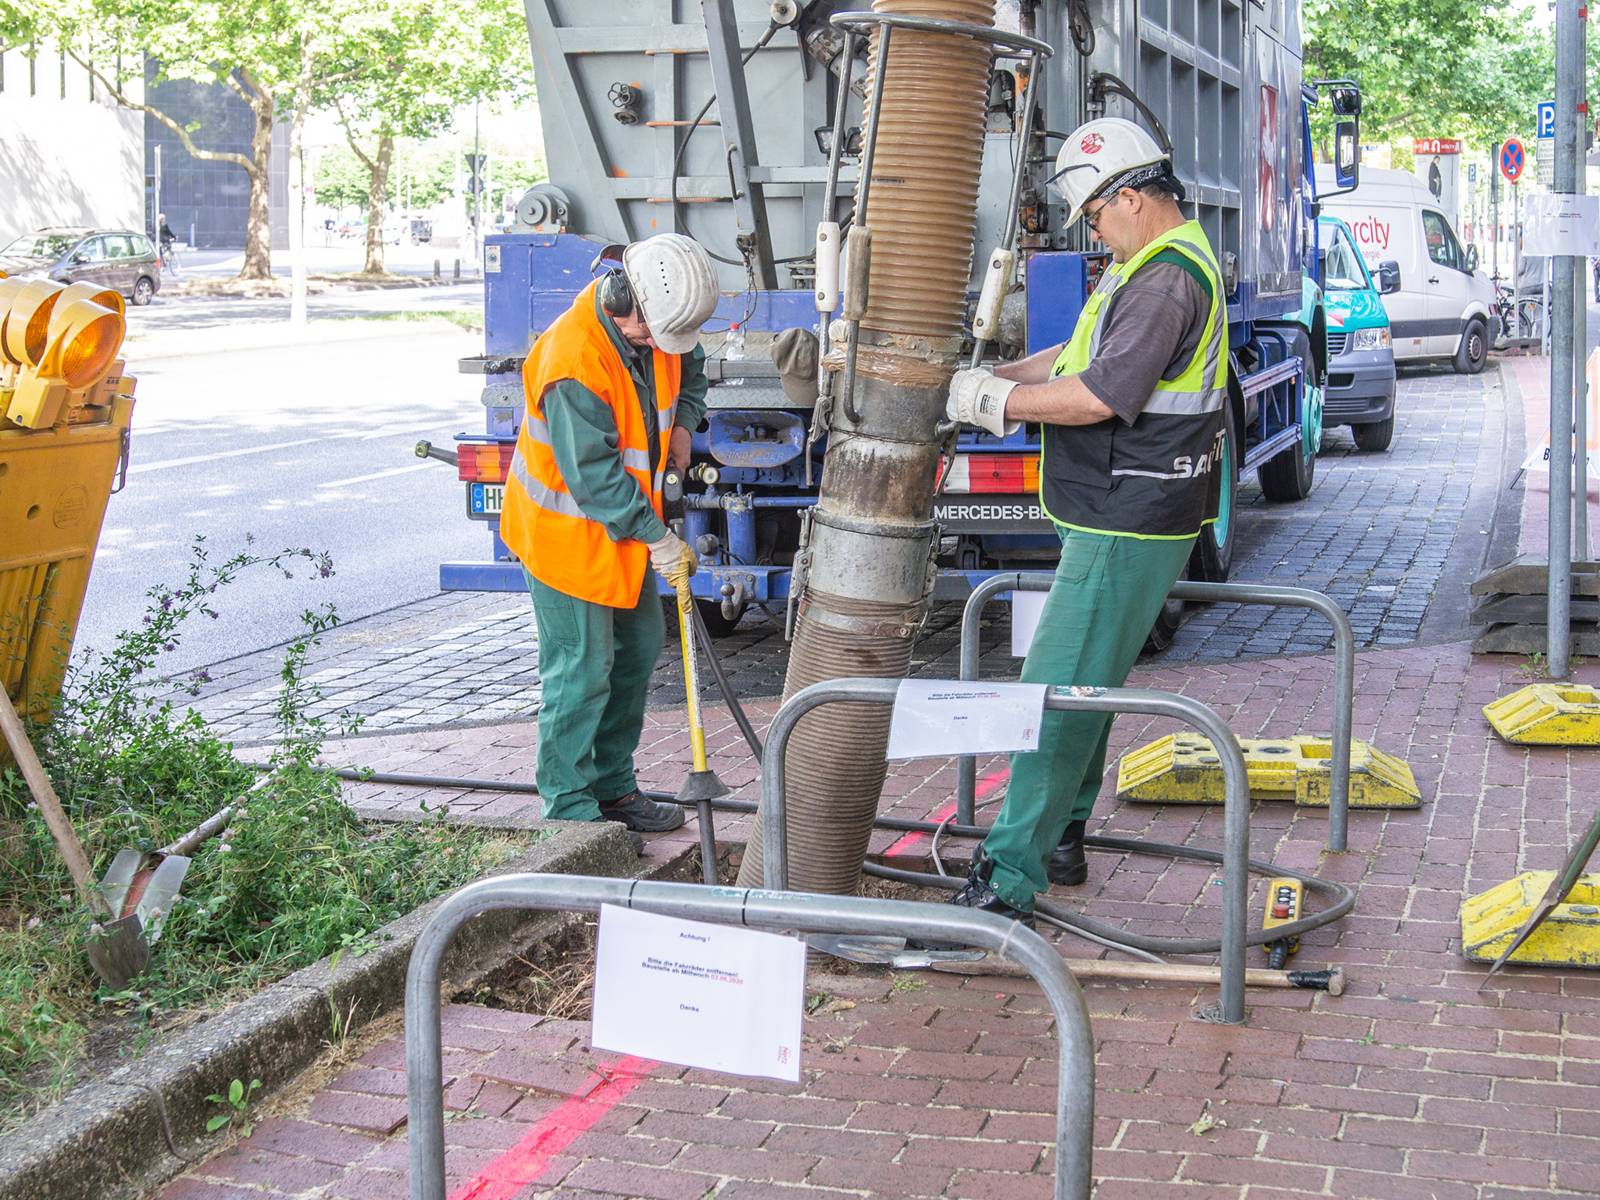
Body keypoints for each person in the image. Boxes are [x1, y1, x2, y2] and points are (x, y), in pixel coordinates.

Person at [930, 116, 1228, 932]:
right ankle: (1062, 839)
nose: (1092, 230)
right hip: (1123, 511)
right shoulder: (1146, 267)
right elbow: (1075, 358)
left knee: (1050, 695)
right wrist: (989, 377)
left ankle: (1008, 877)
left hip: (1127, 517)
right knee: (1085, 682)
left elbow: (1102, 395)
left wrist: (998, 405)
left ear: (1128, 197)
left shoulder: (1166, 280)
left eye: (1093, 215)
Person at [498, 233, 719, 835]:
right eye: (650, 332)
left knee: (638, 651)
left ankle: (613, 788)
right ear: (623, 297)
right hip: (565, 538)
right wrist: (660, 538)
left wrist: (683, 430)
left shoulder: (656, 325)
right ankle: (569, 813)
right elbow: (594, 478)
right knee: (583, 667)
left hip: (620, 533)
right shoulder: (572, 361)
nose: (659, 344)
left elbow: (690, 368)